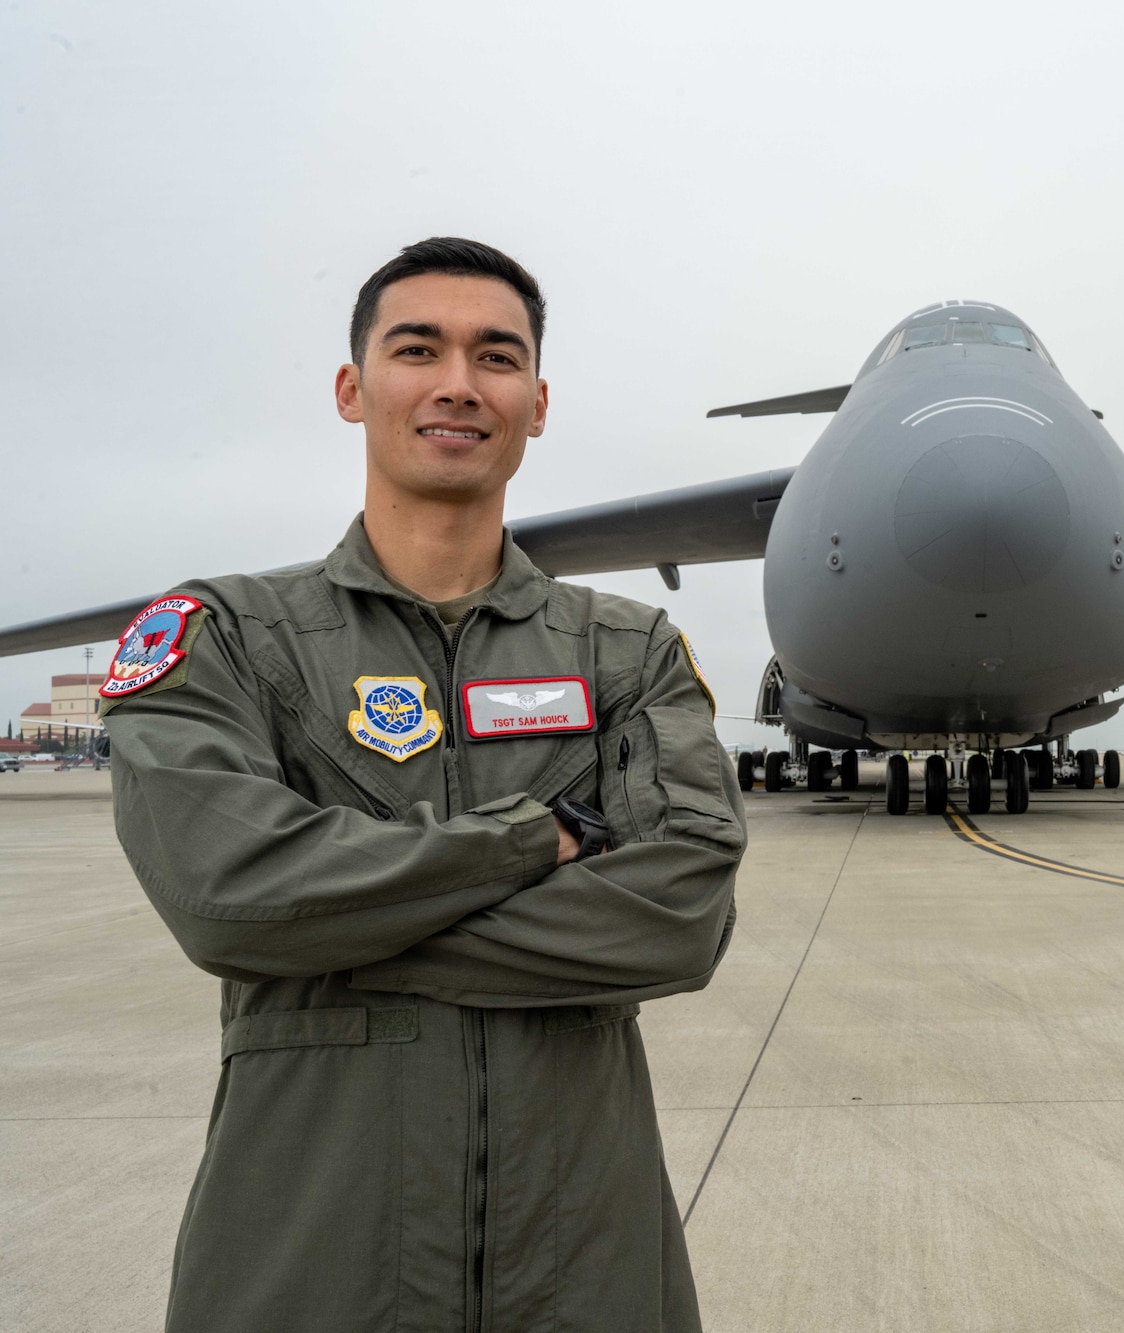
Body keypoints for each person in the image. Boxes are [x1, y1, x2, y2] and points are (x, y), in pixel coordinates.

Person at [99, 237, 744, 1333]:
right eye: (417, 349)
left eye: (496, 356)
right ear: (355, 389)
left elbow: (676, 920)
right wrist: (521, 843)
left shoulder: (623, 652)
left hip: (585, 1272)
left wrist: (331, 922)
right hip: (308, 1268)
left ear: (536, 404)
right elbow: (226, 896)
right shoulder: (229, 637)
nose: (457, 383)